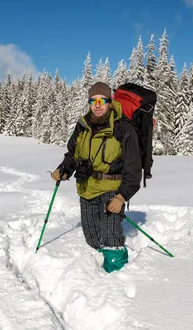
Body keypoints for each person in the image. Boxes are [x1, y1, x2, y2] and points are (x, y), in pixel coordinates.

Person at [51, 81, 142, 272]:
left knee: (110, 239)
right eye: (93, 100)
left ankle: (118, 276)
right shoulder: (82, 125)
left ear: (109, 102)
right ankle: (99, 266)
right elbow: (72, 156)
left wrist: (121, 197)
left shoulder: (123, 128)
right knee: (92, 239)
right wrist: (64, 170)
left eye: (102, 100)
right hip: (86, 189)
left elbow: (133, 169)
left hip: (111, 190)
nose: (98, 105)